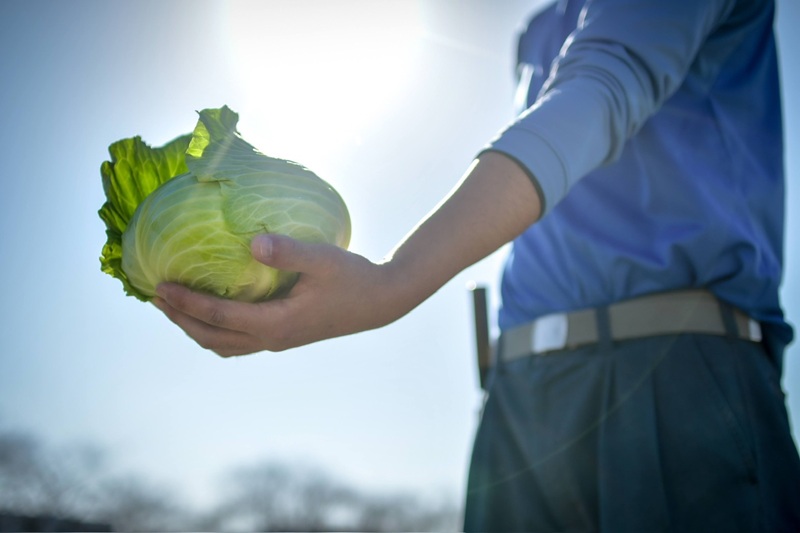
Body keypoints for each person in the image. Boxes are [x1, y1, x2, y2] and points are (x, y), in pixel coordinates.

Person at [153, 0, 800, 530]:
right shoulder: (541, 27)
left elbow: (602, 86)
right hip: (519, 398)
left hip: (674, 380)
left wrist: (393, 282)